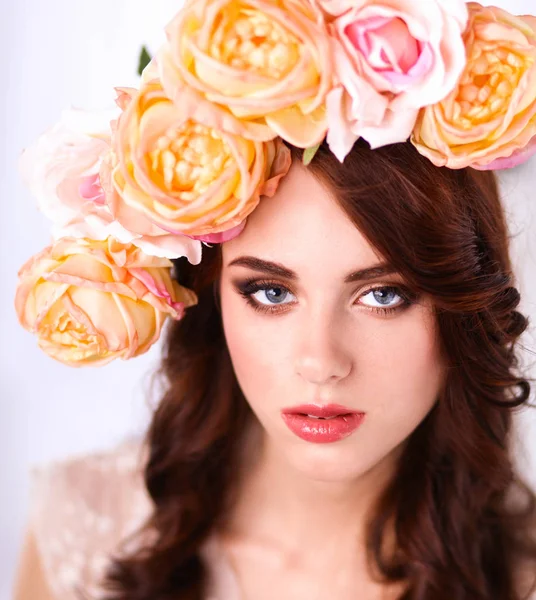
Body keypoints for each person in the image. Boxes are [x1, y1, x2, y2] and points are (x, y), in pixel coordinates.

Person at [10, 1, 536, 599]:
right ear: (210, 297)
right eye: (270, 291)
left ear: (465, 302)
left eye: (384, 295)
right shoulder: (86, 532)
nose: (320, 361)